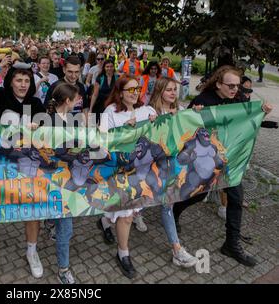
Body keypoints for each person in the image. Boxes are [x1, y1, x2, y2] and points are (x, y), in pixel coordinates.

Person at [173, 65, 273, 267]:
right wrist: (194, 113)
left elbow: (249, 120)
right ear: (219, 83)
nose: (235, 89)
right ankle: (175, 211)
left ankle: (231, 243)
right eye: (230, 85)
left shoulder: (239, 100)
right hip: (206, 160)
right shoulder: (204, 100)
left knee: (236, 198)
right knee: (199, 194)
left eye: (237, 86)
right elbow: (185, 125)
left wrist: (263, 113)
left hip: (230, 162)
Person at [0, 51, 46, 279]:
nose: (23, 84)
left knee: (33, 211)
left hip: (28, 167)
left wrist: (42, 125)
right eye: (18, 80)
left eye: (27, 80)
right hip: (1, 165)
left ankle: (32, 251)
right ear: (10, 81)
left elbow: (47, 129)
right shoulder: (0, 98)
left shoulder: (36, 103)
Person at [97, 76, 157, 279]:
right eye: (129, 89)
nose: (134, 92)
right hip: (120, 172)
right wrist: (123, 132)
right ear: (120, 92)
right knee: (126, 215)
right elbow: (102, 141)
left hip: (141, 171)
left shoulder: (147, 111)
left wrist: (155, 124)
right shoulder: (110, 113)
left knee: (124, 211)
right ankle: (123, 253)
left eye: (137, 88)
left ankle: (104, 222)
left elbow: (164, 131)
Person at [146, 77, 200, 267]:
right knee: (138, 201)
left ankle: (177, 250)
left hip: (172, 168)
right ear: (160, 91)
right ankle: (112, 219)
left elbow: (190, 130)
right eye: (168, 89)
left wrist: (196, 116)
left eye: (174, 90)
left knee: (167, 205)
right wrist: (152, 122)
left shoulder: (181, 111)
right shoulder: (150, 112)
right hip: (150, 168)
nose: (172, 93)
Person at [45, 82, 81, 284]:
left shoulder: (74, 120)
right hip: (54, 182)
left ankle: (50, 221)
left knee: (63, 223)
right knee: (66, 229)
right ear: (68, 101)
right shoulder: (47, 122)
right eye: (76, 99)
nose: (78, 102)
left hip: (70, 180)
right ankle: (63, 270)